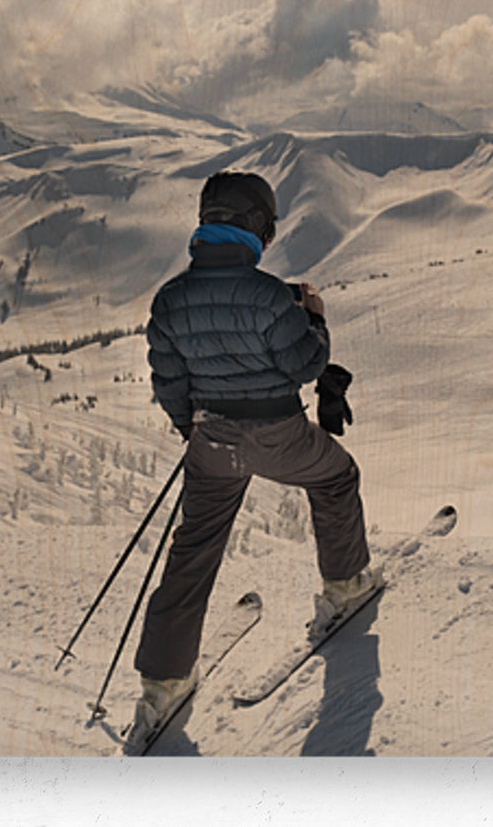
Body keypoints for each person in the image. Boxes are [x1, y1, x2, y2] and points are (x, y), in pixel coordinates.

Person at [127, 170, 378, 744]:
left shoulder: (170, 300)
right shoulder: (269, 295)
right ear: (256, 228)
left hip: (210, 439)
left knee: (193, 549)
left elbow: (169, 381)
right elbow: (304, 366)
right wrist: (313, 316)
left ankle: (162, 683)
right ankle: (345, 588)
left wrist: (187, 426)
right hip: (277, 434)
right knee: (337, 477)